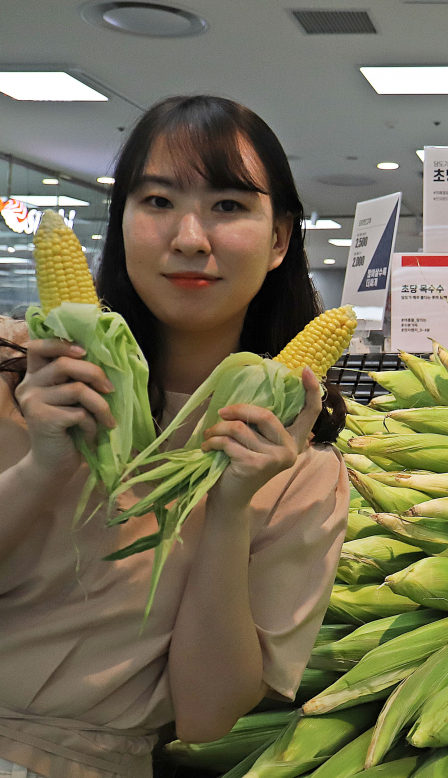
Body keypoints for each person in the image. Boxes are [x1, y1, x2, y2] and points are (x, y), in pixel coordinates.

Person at [0, 96, 351, 778]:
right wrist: (41, 465)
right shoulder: (20, 373)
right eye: (157, 201)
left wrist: (231, 507)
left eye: (228, 206)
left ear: (279, 239)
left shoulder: (300, 467)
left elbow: (205, 714)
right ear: (122, 223)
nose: (190, 237)